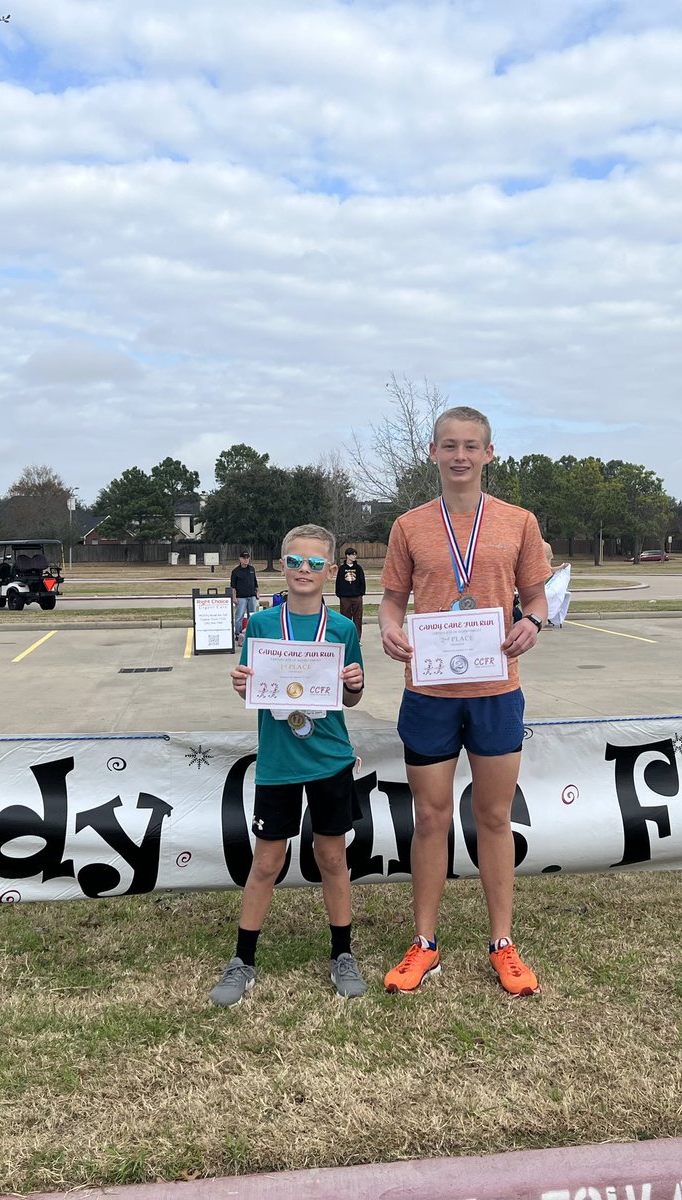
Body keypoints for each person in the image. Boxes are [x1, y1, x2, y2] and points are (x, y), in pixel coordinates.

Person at [378, 406, 550, 997]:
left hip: (496, 689)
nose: (459, 456)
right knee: (429, 818)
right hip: (428, 689)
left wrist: (533, 622)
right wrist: (389, 628)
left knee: (494, 816)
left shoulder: (519, 521)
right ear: (432, 452)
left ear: (489, 454)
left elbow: (537, 598)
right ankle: (424, 944)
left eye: (471, 446)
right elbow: (392, 602)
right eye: (449, 445)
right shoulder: (408, 526)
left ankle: (503, 943)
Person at [210, 524, 367, 1006]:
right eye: (296, 562)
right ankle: (243, 960)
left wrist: (355, 682)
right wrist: (241, 683)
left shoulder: (341, 628)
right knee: (267, 862)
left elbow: (352, 697)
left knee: (332, 857)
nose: (305, 571)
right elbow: (252, 686)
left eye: (315, 564)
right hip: (280, 761)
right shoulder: (260, 625)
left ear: (332, 571)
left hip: (329, 759)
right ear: (282, 566)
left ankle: (342, 952)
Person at [334, 547, 366, 641]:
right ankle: (345, 638)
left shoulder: (358, 568)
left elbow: (362, 581)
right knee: (345, 618)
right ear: (347, 556)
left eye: (355, 554)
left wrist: (360, 593)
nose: (354, 556)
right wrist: (340, 594)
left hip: (356, 597)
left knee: (357, 618)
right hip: (345, 597)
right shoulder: (342, 569)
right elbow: (338, 582)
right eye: (352, 554)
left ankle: (357, 638)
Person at [230, 549, 259, 643]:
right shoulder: (235, 571)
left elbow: (255, 582)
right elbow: (233, 586)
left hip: (252, 596)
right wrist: (234, 597)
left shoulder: (252, 569)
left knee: (253, 615)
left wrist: (257, 592)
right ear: (240, 559)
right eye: (244, 558)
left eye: (247, 558)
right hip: (241, 597)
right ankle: (237, 634)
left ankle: (251, 633)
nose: (246, 560)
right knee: (239, 616)